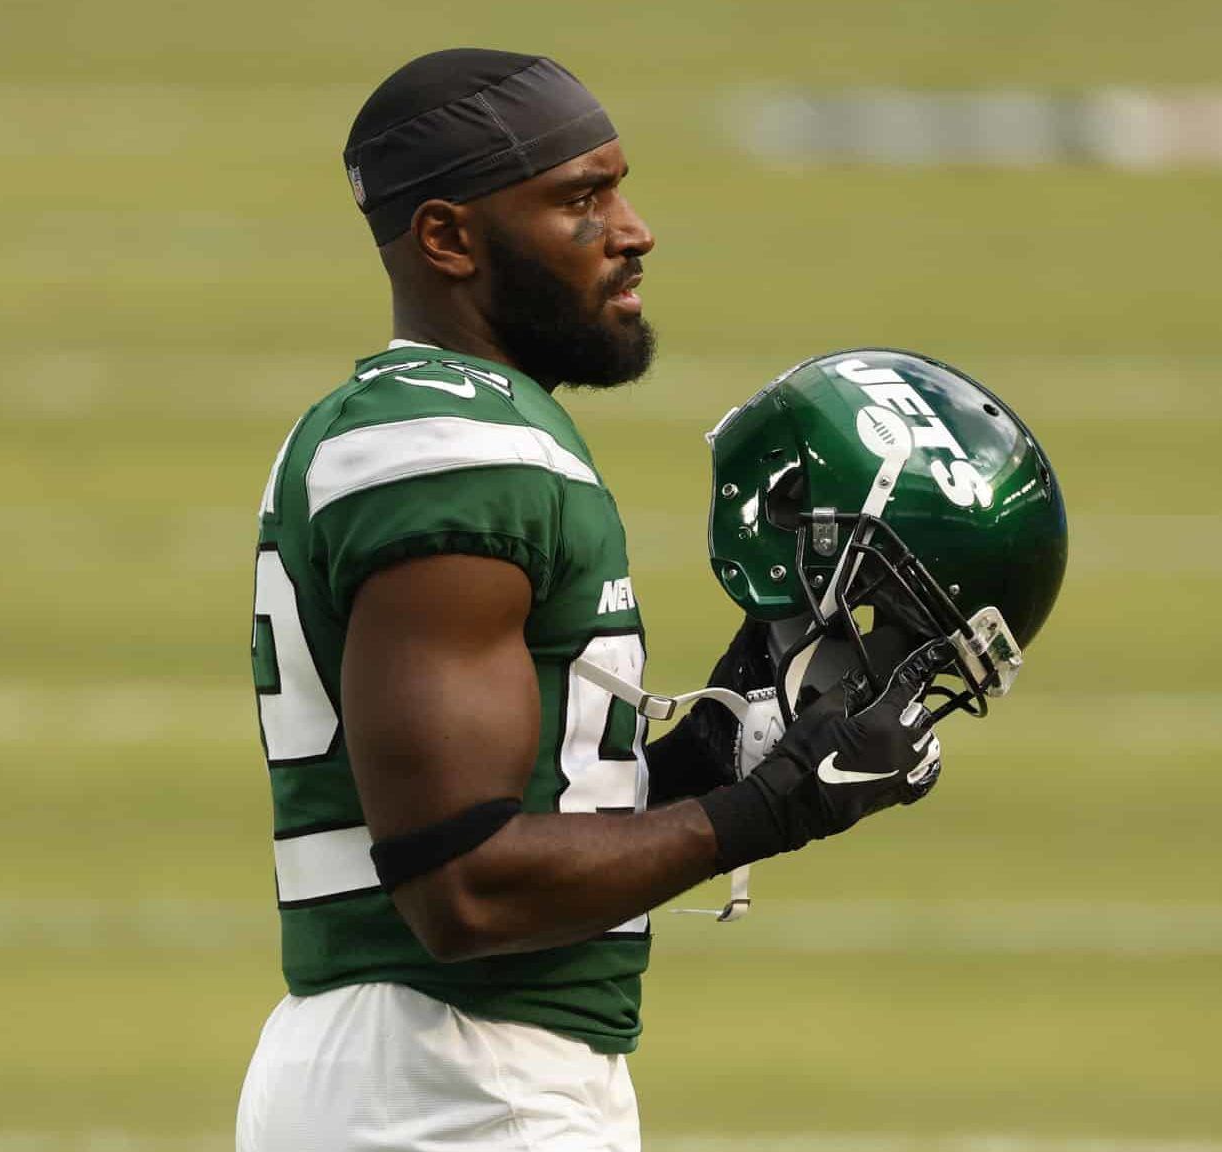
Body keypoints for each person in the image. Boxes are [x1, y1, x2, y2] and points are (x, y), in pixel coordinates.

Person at [235, 48, 951, 1152]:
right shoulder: (459, 451)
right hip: (457, 1085)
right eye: (579, 199)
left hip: (424, 1075)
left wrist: (700, 767)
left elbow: (499, 815)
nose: (632, 229)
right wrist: (774, 808)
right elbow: (460, 888)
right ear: (447, 238)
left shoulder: (425, 421)